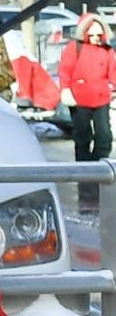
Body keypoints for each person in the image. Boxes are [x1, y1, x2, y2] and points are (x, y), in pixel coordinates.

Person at [59, 17, 115, 201]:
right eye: (92, 34)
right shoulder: (75, 48)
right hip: (80, 99)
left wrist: (113, 86)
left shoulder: (107, 50)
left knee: (104, 136)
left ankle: (98, 169)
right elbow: (65, 69)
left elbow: (113, 71)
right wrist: (66, 89)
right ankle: (84, 173)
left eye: (99, 34)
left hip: (101, 99)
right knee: (82, 137)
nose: (96, 38)